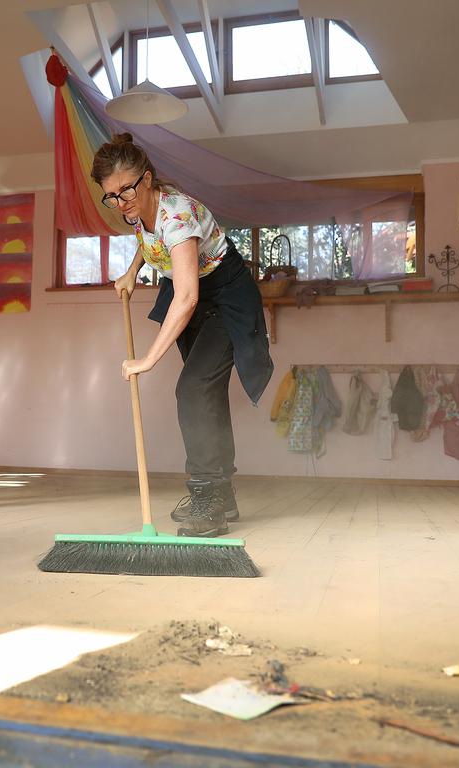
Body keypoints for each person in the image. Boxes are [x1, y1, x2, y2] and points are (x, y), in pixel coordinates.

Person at [91, 134, 273, 537]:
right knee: (205, 394)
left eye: (127, 190)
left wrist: (148, 359)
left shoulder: (177, 215)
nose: (122, 203)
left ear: (148, 179)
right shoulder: (139, 210)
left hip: (224, 298)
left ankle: (207, 498)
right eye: (112, 196)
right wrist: (132, 271)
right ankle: (222, 494)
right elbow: (149, 238)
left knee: (192, 389)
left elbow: (187, 295)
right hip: (192, 294)